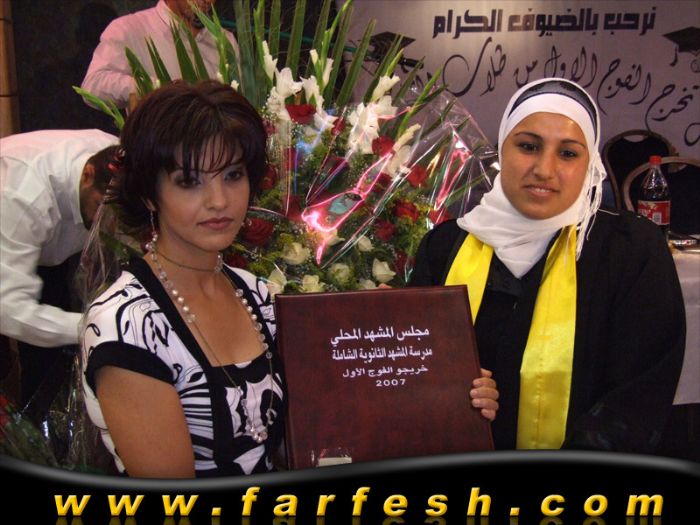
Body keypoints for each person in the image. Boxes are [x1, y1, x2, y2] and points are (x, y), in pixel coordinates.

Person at [410, 78, 685, 453]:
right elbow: (416, 372)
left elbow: (638, 396)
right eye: (528, 146)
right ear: (502, 149)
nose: (544, 169)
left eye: (568, 153)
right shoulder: (445, 247)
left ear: (590, 166)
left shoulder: (629, 251)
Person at [0, 129, 119, 406]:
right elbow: (9, 311)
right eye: (101, 207)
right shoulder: (24, 195)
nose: (108, 223)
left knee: (55, 357)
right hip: (9, 229)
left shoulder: (119, 163)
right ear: (87, 175)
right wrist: (97, 328)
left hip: (45, 247)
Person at [80, 0, 238, 110]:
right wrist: (148, 87)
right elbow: (93, 85)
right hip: (157, 146)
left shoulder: (225, 40)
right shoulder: (130, 29)